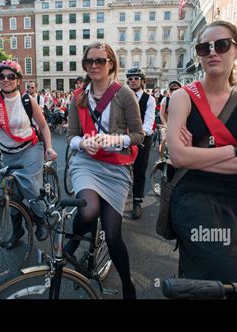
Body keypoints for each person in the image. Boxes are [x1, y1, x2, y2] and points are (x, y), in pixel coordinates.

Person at [166, 20, 237, 286]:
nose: (212, 52)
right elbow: (178, 157)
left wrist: (196, 157)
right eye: (204, 47)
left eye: (221, 45)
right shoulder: (182, 97)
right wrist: (231, 150)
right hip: (193, 192)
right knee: (223, 270)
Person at [65, 42, 144, 299]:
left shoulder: (124, 94)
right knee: (88, 211)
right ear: (85, 65)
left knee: (112, 235)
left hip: (115, 166)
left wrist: (115, 140)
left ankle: (127, 284)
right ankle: (74, 240)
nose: (94, 65)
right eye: (89, 62)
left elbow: (138, 135)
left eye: (100, 60)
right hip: (86, 163)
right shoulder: (78, 97)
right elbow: (71, 137)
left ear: (111, 63)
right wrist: (82, 143)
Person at [0, 60, 57, 246]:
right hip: (8, 153)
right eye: (2, 76)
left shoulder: (27, 100)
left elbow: (43, 126)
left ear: (18, 80)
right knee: (11, 194)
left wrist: (49, 147)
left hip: (30, 148)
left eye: (11, 76)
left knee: (28, 184)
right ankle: (17, 231)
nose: (6, 80)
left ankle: (42, 219)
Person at [125, 67, 156, 219]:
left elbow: (149, 121)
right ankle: (120, 196)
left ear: (142, 81)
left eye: (136, 78)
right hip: (125, 136)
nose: (133, 81)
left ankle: (137, 201)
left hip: (143, 137)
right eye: (130, 78)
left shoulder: (149, 99)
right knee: (121, 167)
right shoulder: (123, 96)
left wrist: (138, 136)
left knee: (139, 168)